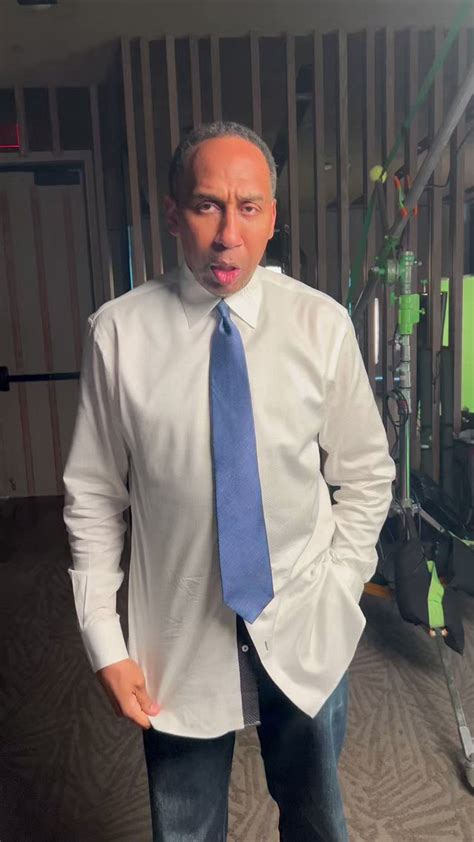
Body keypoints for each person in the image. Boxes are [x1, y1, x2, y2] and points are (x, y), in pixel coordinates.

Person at [63, 121, 395, 842]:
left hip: (306, 618)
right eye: (207, 205)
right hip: (175, 632)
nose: (227, 234)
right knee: (185, 829)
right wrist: (104, 641)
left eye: (248, 207)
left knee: (318, 821)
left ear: (272, 217)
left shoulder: (321, 326)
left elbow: (367, 473)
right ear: (173, 213)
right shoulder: (117, 335)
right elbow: (93, 498)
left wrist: (342, 584)